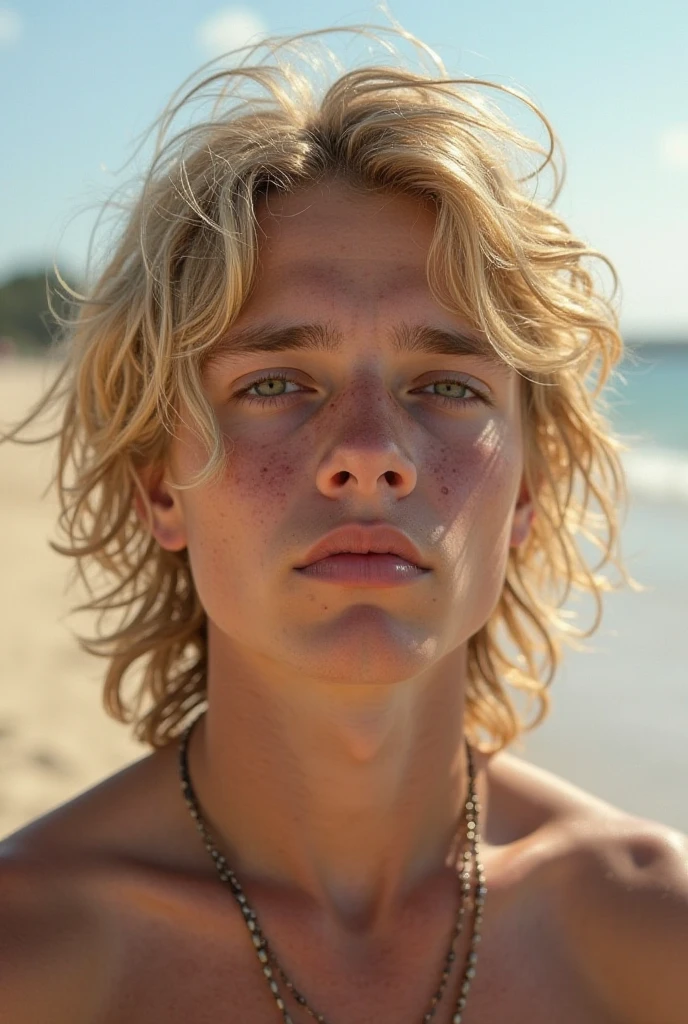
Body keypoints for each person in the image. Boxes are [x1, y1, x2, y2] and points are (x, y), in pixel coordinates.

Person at [1, 25, 687, 1024]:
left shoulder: (647, 933)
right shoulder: (33, 958)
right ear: (160, 483)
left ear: (528, 492)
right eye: (275, 381)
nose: (369, 450)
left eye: (446, 384)